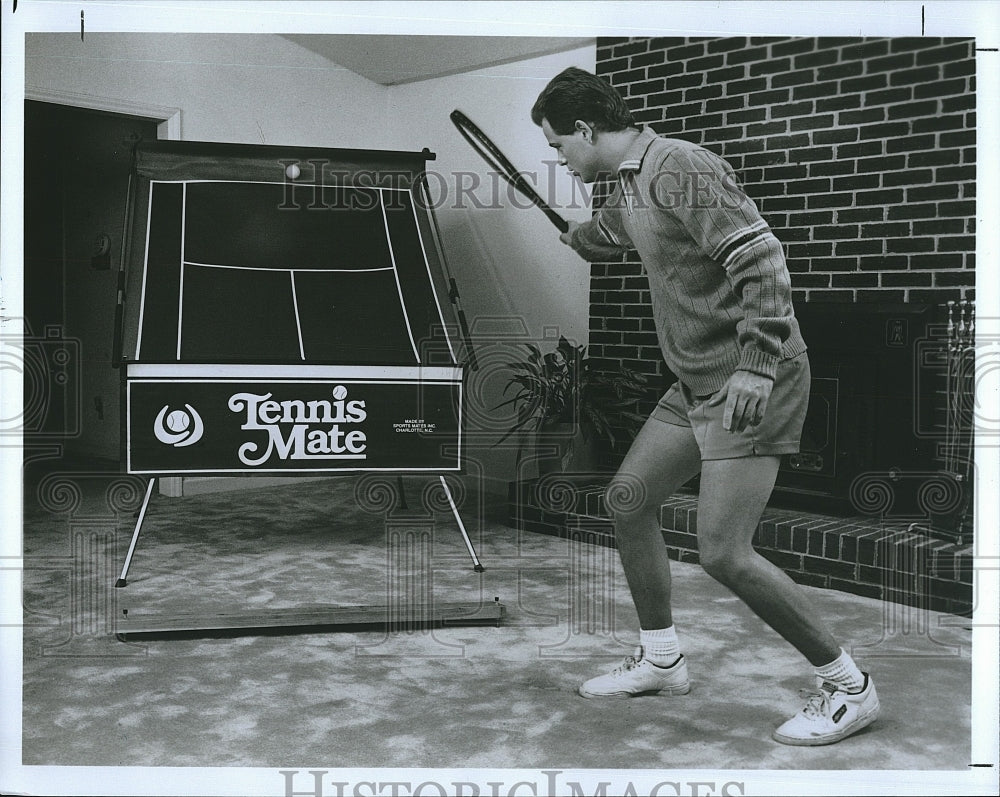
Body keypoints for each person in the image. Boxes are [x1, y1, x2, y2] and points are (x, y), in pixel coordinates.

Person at [530, 67, 879, 746]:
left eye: (558, 146)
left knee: (724, 551)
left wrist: (756, 364)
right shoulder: (630, 180)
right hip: (693, 378)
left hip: (751, 377)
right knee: (629, 498)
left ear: (584, 129)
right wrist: (582, 237)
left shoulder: (680, 164)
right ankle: (662, 658)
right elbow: (614, 234)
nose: (559, 159)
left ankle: (849, 685)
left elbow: (762, 260)